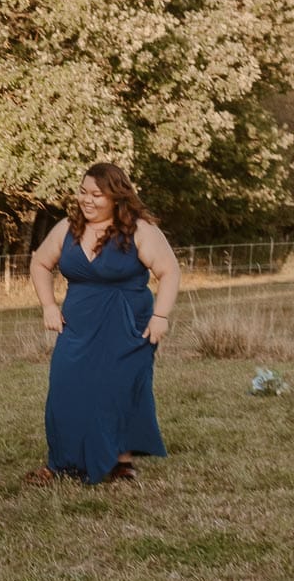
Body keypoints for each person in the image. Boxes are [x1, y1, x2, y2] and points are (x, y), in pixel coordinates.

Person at [26, 162, 179, 484]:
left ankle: (120, 461)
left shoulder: (139, 229)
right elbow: (40, 263)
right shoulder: (67, 227)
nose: (87, 200)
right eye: (83, 192)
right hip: (78, 324)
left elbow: (169, 271)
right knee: (66, 388)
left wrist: (160, 316)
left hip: (128, 324)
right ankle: (61, 462)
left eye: (97, 194)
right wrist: (49, 306)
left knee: (118, 390)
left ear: (116, 197)